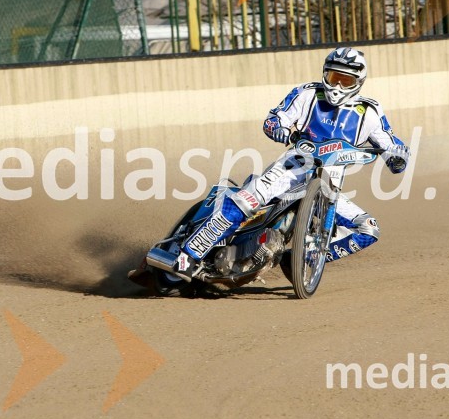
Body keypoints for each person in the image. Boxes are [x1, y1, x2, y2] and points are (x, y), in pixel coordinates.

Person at [133, 47, 410, 283]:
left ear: (358, 82)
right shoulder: (307, 94)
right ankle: (187, 255)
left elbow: (391, 144)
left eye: (345, 80)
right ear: (325, 73)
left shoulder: (369, 112)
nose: (337, 86)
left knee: (368, 229)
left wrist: (398, 157)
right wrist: (278, 128)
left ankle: (297, 258)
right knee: (245, 201)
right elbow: (275, 118)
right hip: (291, 169)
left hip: (330, 186)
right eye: (333, 77)